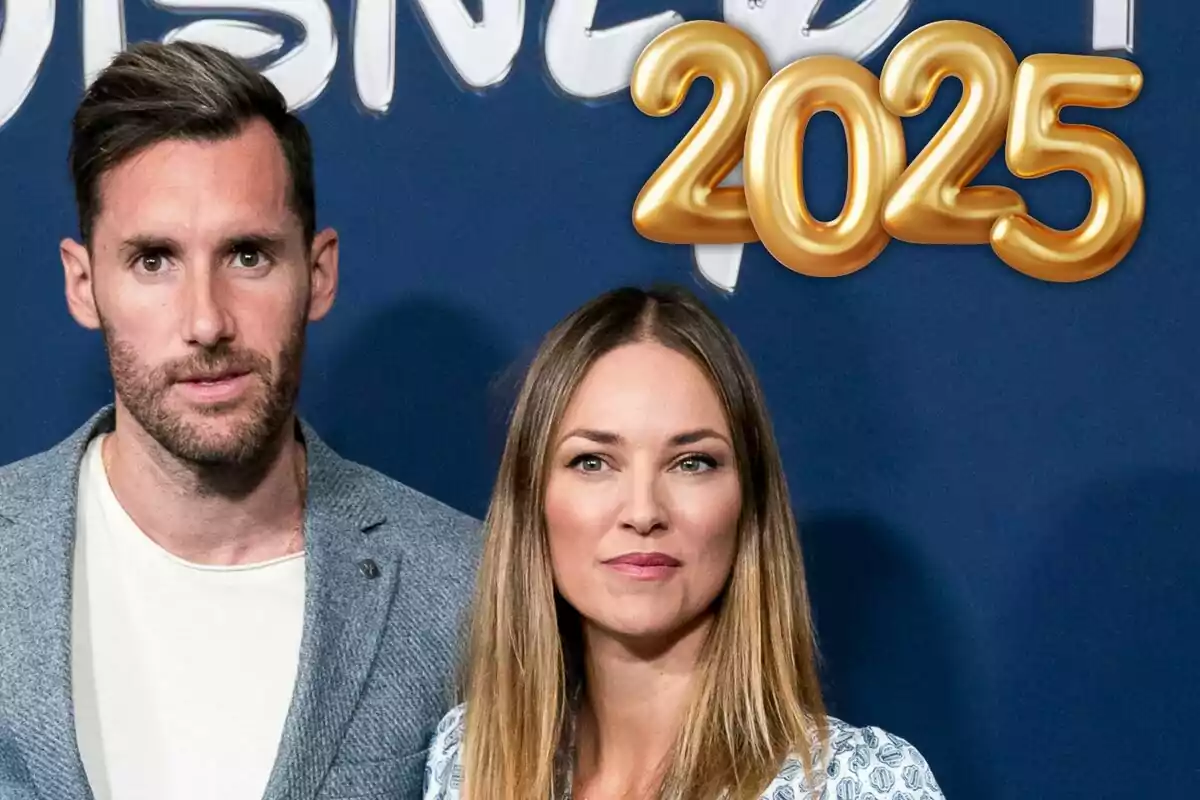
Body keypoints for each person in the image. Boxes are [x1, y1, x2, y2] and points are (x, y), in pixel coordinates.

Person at [0, 41, 477, 800]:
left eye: (247, 255)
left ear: (317, 273)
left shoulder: (464, 587)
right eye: (154, 260)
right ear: (83, 284)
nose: (206, 321)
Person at [423, 285, 946, 799]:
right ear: (532, 499)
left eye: (691, 463)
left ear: (748, 502)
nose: (644, 512)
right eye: (593, 462)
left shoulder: (856, 786)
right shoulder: (469, 759)